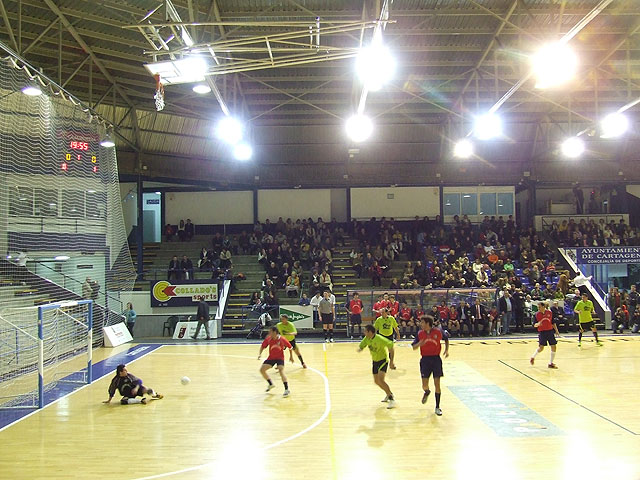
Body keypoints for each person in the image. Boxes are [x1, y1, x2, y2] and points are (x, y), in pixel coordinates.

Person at [412, 316, 449, 416]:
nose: (421, 324)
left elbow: (446, 339)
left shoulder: (438, 331)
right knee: (424, 385)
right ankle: (427, 392)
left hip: (436, 359)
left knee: (437, 383)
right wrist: (420, 344)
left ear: (428, 323)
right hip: (425, 360)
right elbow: (414, 347)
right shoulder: (420, 333)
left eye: (422, 322)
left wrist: (446, 350)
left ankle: (437, 406)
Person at [357, 324, 396, 409]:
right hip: (375, 361)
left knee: (381, 380)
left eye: (365, 331)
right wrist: (360, 348)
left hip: (383, 361)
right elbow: (362, 345)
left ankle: (392, 399)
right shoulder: (367, 339)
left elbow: (391, 346)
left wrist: (391, 362)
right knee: (376, 381)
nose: (364, 332)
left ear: (370, 332)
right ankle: (388, 393)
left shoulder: (380, 339)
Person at [258, 327, 293, 397]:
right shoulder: (268, 339)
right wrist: (260, 354)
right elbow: (262, 346)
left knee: (281, 371)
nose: (269, 333)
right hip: (271, 358)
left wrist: (291, 357)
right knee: (262, 370)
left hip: (280, 358)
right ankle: (270, 384)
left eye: (270, 331)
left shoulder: (282, 339)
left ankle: (286, 389)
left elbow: (290, 347)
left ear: (274, 332)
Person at [530, 302, 560, 369]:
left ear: (543, 307)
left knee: (553, 346)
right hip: (542, 332)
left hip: (550, 331)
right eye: (538, 307)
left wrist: (556, 330)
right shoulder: (537, 314)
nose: (538, 308)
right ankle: (533, 357)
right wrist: (537, 324)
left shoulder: (550, 313)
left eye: (539, 307)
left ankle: (551, 363)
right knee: (541, 348)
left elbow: (553, 322)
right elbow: (534, 325)